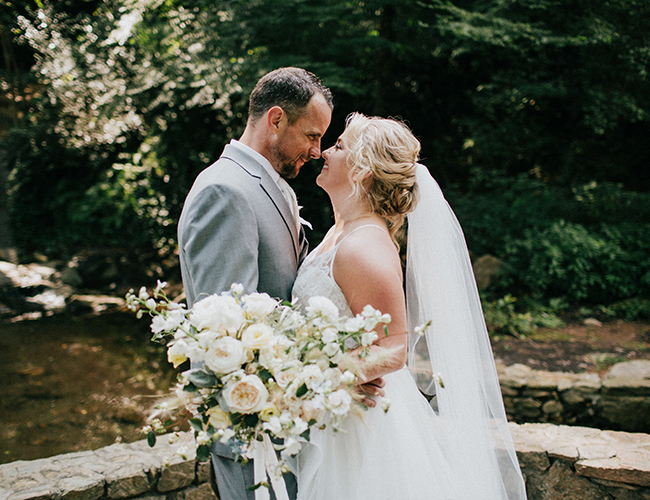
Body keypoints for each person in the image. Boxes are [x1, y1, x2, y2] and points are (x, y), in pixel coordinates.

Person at [291, 113, 528, 499]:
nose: (324, 153)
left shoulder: (363, 245)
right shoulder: (341, 232)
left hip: (357, 429)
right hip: (332, 414)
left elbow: (394, 348)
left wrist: (320, 380)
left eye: (338, 147)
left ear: (363, 171)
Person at [177, 67, 333, 500]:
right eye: (313, 136)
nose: (318, 151)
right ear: (276, 119)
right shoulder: (225, 191)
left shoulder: (267, 184)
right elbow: (223, 334)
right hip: (256, 439)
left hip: (289, 426)